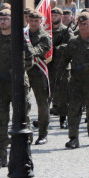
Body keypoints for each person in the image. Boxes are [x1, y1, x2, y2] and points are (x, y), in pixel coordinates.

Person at [0, 10, 32, 169]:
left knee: (22, 121)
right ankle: (1, 156)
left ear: (13, 20)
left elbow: (30, 61)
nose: (2, 22)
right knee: (0, 122)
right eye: (0, 19)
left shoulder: (20, 39)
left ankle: (24, 156)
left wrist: (12, 72)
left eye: (6, 19)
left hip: (17, 86)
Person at [60, 11, 89, 148]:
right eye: (80, 24)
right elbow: (64, 59)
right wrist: (61, 74)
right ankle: (73, 138)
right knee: (73, 109)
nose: (82, 27)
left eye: (85, 24)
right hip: (76, 81)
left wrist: (85, 67)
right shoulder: (73, 42)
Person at [25, 9, 53, 144]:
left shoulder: (44, 36)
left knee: (43, 105)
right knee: (23, 104)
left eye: (36, 21)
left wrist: (27, 46)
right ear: (28, 21)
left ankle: (43, 134)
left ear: (41, 22)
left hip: (38, 72)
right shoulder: (23, 34)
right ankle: (27, 133)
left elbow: (39, 50)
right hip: (25, 72)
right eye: (31, 21)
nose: (33, 23)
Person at [49, 7, 72, 129]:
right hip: (49, 66)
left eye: (56, 15)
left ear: (61, 17)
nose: (54, 17)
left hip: (63, 66)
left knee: (63, 95)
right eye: (52, 15)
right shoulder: (47, 31)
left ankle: (63, 118)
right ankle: (44, 119)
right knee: (47, 93)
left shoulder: (66, 31)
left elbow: (71, 46)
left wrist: (58, 48)